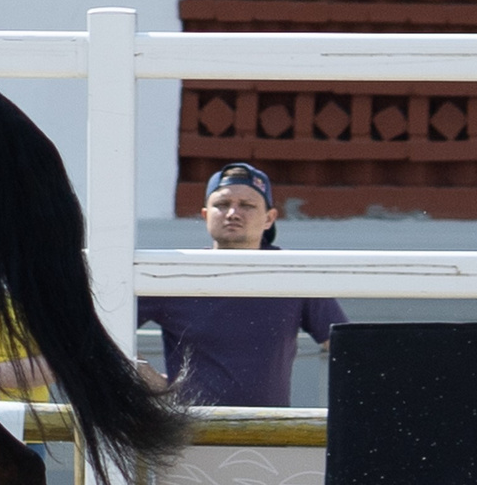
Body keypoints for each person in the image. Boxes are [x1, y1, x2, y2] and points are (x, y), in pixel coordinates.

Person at [137, 161, 344, 409]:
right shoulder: (178, 272)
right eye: (222, 205)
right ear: (205, 215)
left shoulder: (293, 272)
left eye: (247, 205)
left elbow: (347, 350)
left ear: (269, 218)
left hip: (269, 433)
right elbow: (103, 330)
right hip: (189, 433)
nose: (233, 213)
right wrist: (155, 384)